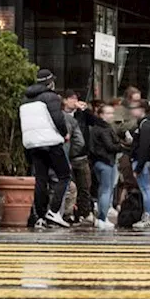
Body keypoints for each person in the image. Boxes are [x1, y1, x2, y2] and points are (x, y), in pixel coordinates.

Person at [19, 69, 70, 229]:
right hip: (50, 142)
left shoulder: (25, 100)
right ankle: (54, 212)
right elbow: (58, 119)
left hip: (32, 144)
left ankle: (40, 217)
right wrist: (65, 134)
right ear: (50, 83)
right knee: (64, 176)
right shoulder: (52, 97)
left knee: (41, 179)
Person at [61, 91, 93, 225]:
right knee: (68, 187)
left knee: (84, 186)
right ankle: (67, 214)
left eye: (76, 98)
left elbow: (94, 121)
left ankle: (84, 213)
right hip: (65, 156)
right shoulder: (60, 115)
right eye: (71, 99)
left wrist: (85, 111)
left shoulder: (81, 116)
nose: (75, 101)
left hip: (81, 156)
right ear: (64, 100)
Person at [89, 103, 123, 230]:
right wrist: (121, 146)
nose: (111, 116)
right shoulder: (104, 129)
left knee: (103, 189)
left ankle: (102, 217)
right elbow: (110, 146)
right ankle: (103, 218)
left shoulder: (96, 128)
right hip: (106, 162)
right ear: (102, 115)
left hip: (98, 162)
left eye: (112, 113)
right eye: (108, 113)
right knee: (106, 190)